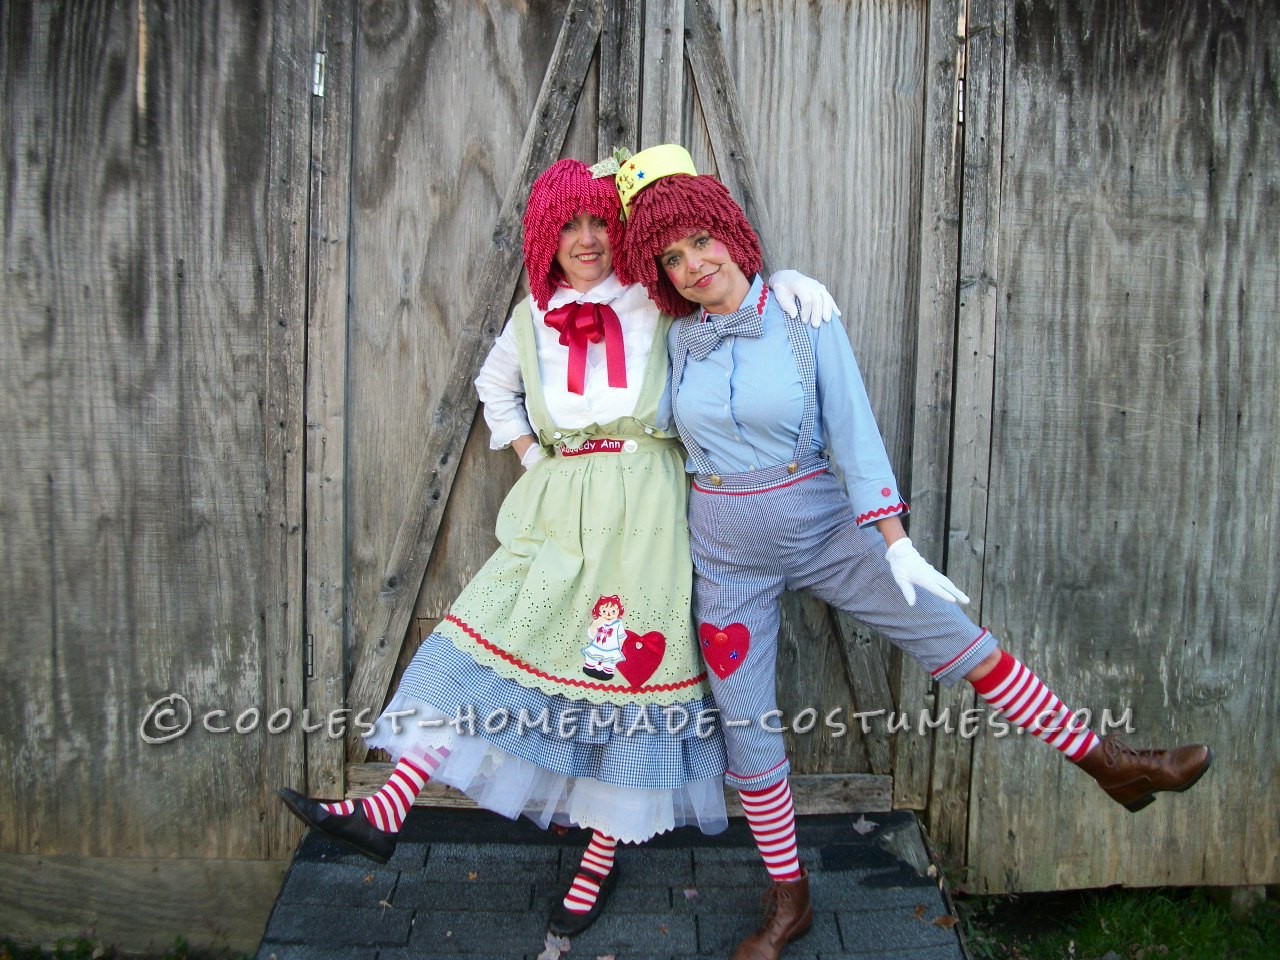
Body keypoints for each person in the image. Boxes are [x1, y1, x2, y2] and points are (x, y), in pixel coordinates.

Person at [613, 144, 1214, 960]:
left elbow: (854, 432)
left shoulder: (802, 317)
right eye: (672, 258)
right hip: (726, 556)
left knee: (954, 638)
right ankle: (789, 902)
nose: (691, 266)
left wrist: (892, 542)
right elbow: (598, 327)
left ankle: (1110, 762)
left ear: (729, 231)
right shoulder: (679, 342)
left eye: (700, 241)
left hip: (826, 526)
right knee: (748, 727)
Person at [277, 156, 835, 937]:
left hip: (647, 510)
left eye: (598, 222)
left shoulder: (654, 300)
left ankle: (598, 861)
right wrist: (539, 459)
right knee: (483, 634)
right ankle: (385, 807)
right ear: (545, 234)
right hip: (560, 507)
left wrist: (792, 286)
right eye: (568, 224)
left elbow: (726, 294)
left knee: (631, 678)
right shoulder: (529, 318)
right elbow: (492, 389)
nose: (586, 239)